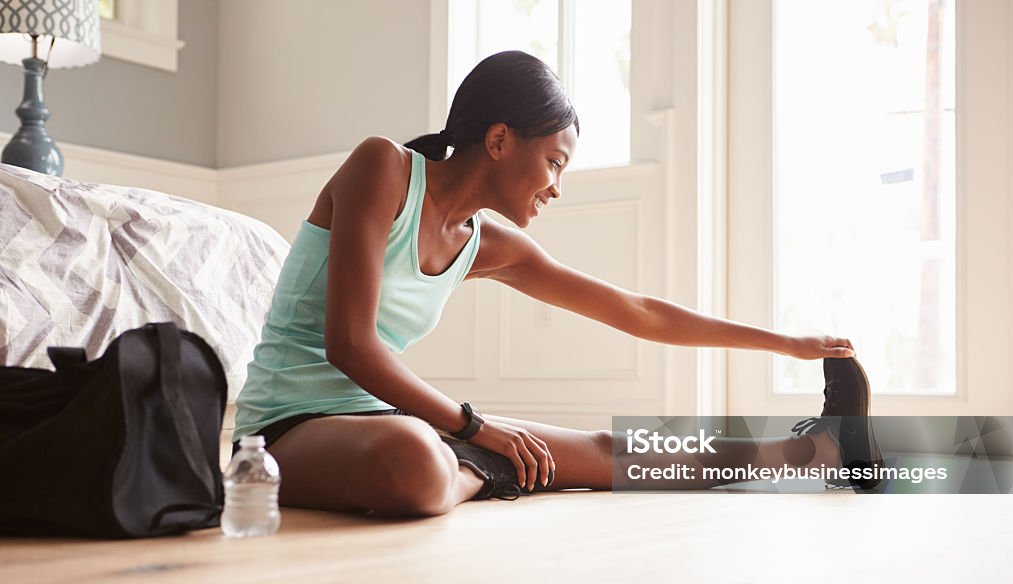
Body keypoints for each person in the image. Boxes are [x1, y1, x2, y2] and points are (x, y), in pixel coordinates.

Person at [231, 50, 878, 517]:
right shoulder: (383, 169)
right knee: (420, 458)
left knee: (600, 451)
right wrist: (477, 429)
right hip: (288, 429)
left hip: (387, 422)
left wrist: (786, 344)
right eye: (554, 162)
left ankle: (813, 452)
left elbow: (639, 312)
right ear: (499, 139)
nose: (556, 187)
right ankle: (485, 472)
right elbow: (350, 344)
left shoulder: (488, 245)